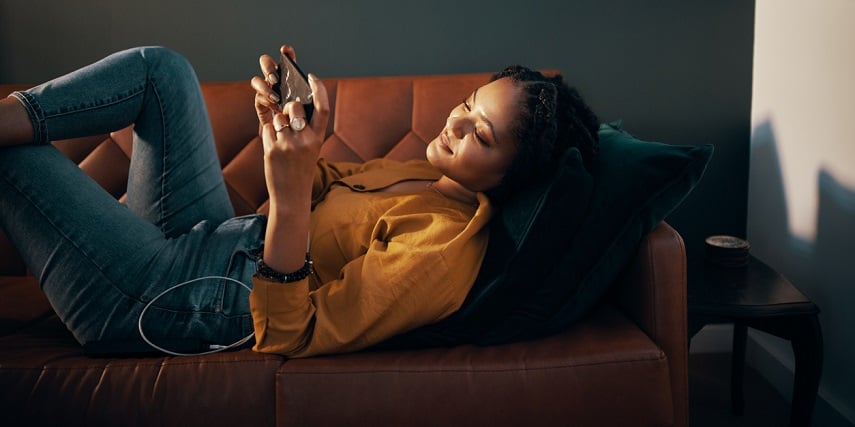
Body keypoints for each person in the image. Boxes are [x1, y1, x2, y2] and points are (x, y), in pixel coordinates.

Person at [0, 44, 599, 358]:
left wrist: (285, 197)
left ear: (514, 174)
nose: (456, 124)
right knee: (162, 71)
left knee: (15, 157)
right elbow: (320, 183)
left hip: (166, 298)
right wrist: (287, 135)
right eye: (468, 103)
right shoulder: (421, 171)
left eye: (481, 135)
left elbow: (291, 333)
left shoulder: (443, 250)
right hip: (211, 234)